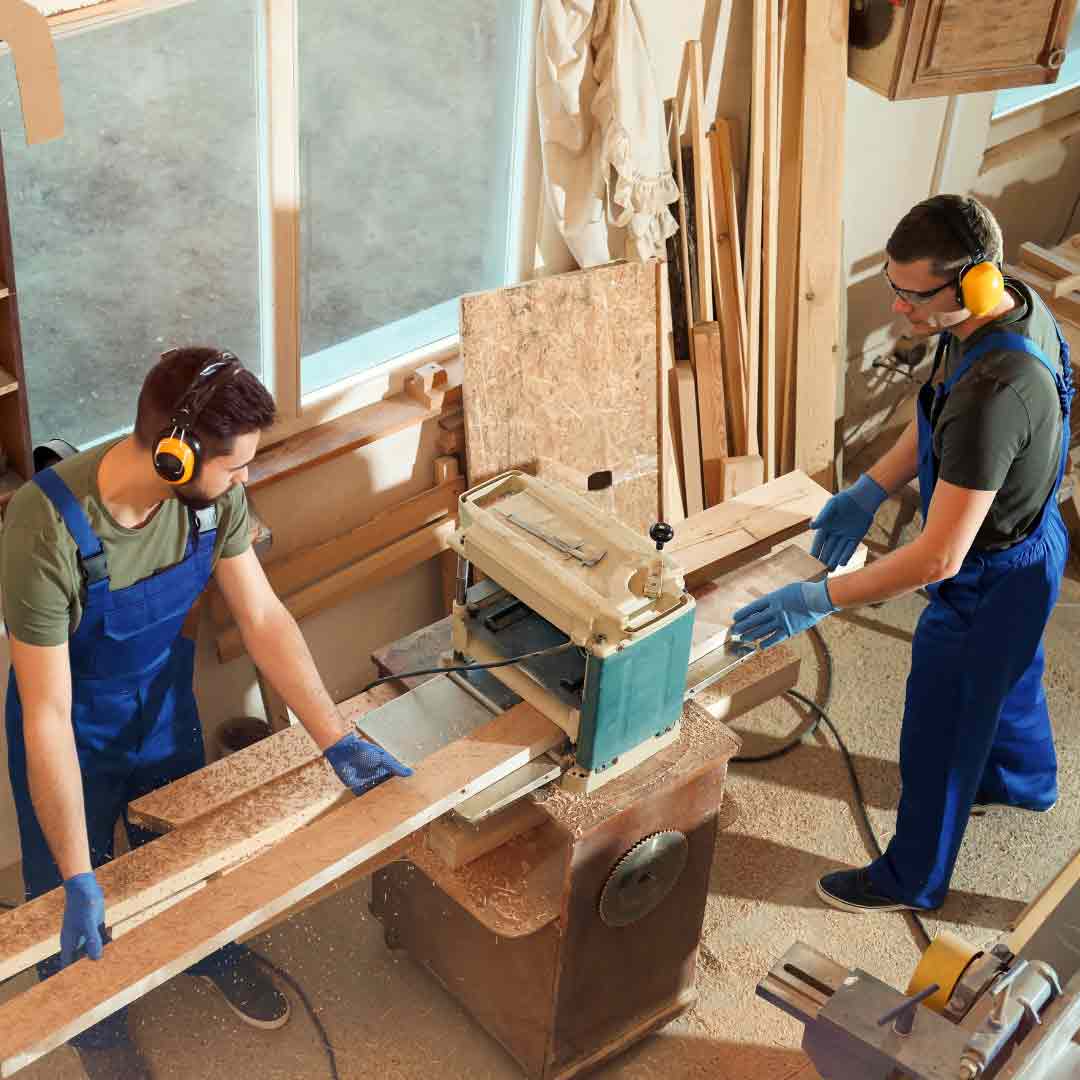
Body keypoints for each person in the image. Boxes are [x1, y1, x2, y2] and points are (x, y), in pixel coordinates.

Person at [1, 347, 411, 1077]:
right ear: (174, 461)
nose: (244, 480)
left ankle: (209, 950)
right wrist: (76, 874)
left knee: (184, 846)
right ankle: (96, 1028)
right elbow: (47, 714)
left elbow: (264, 619)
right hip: (73, 723)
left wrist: (336, 740)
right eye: (234, 467)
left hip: (161, 699)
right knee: (71, 886)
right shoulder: (46, 527)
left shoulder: (213, 500)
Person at [730, 195, 1071, 915]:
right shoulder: (1005, 311)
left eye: (914, 297)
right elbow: (936, 412)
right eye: (893, 288)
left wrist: (817, 599)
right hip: (1032, 548)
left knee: (939, 733)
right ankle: (1026, 781)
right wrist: (869, 487)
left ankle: (910, 879)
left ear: (972, 281)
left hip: (987, 576)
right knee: (1009, 675)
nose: (898, 311)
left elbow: (937, 559)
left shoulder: (996, 396)